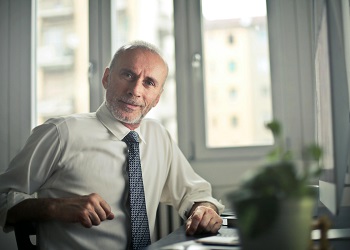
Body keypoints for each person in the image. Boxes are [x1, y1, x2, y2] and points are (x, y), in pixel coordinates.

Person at [0, 41, 224, 249]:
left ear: (157, 97)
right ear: (106, 77)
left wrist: (204, 209)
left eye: (149, 83)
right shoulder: (61, 133)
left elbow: (195, 193)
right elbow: (2, 196)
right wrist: (54, 207)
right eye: (128, 74)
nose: (135, 90)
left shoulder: (159, 136)